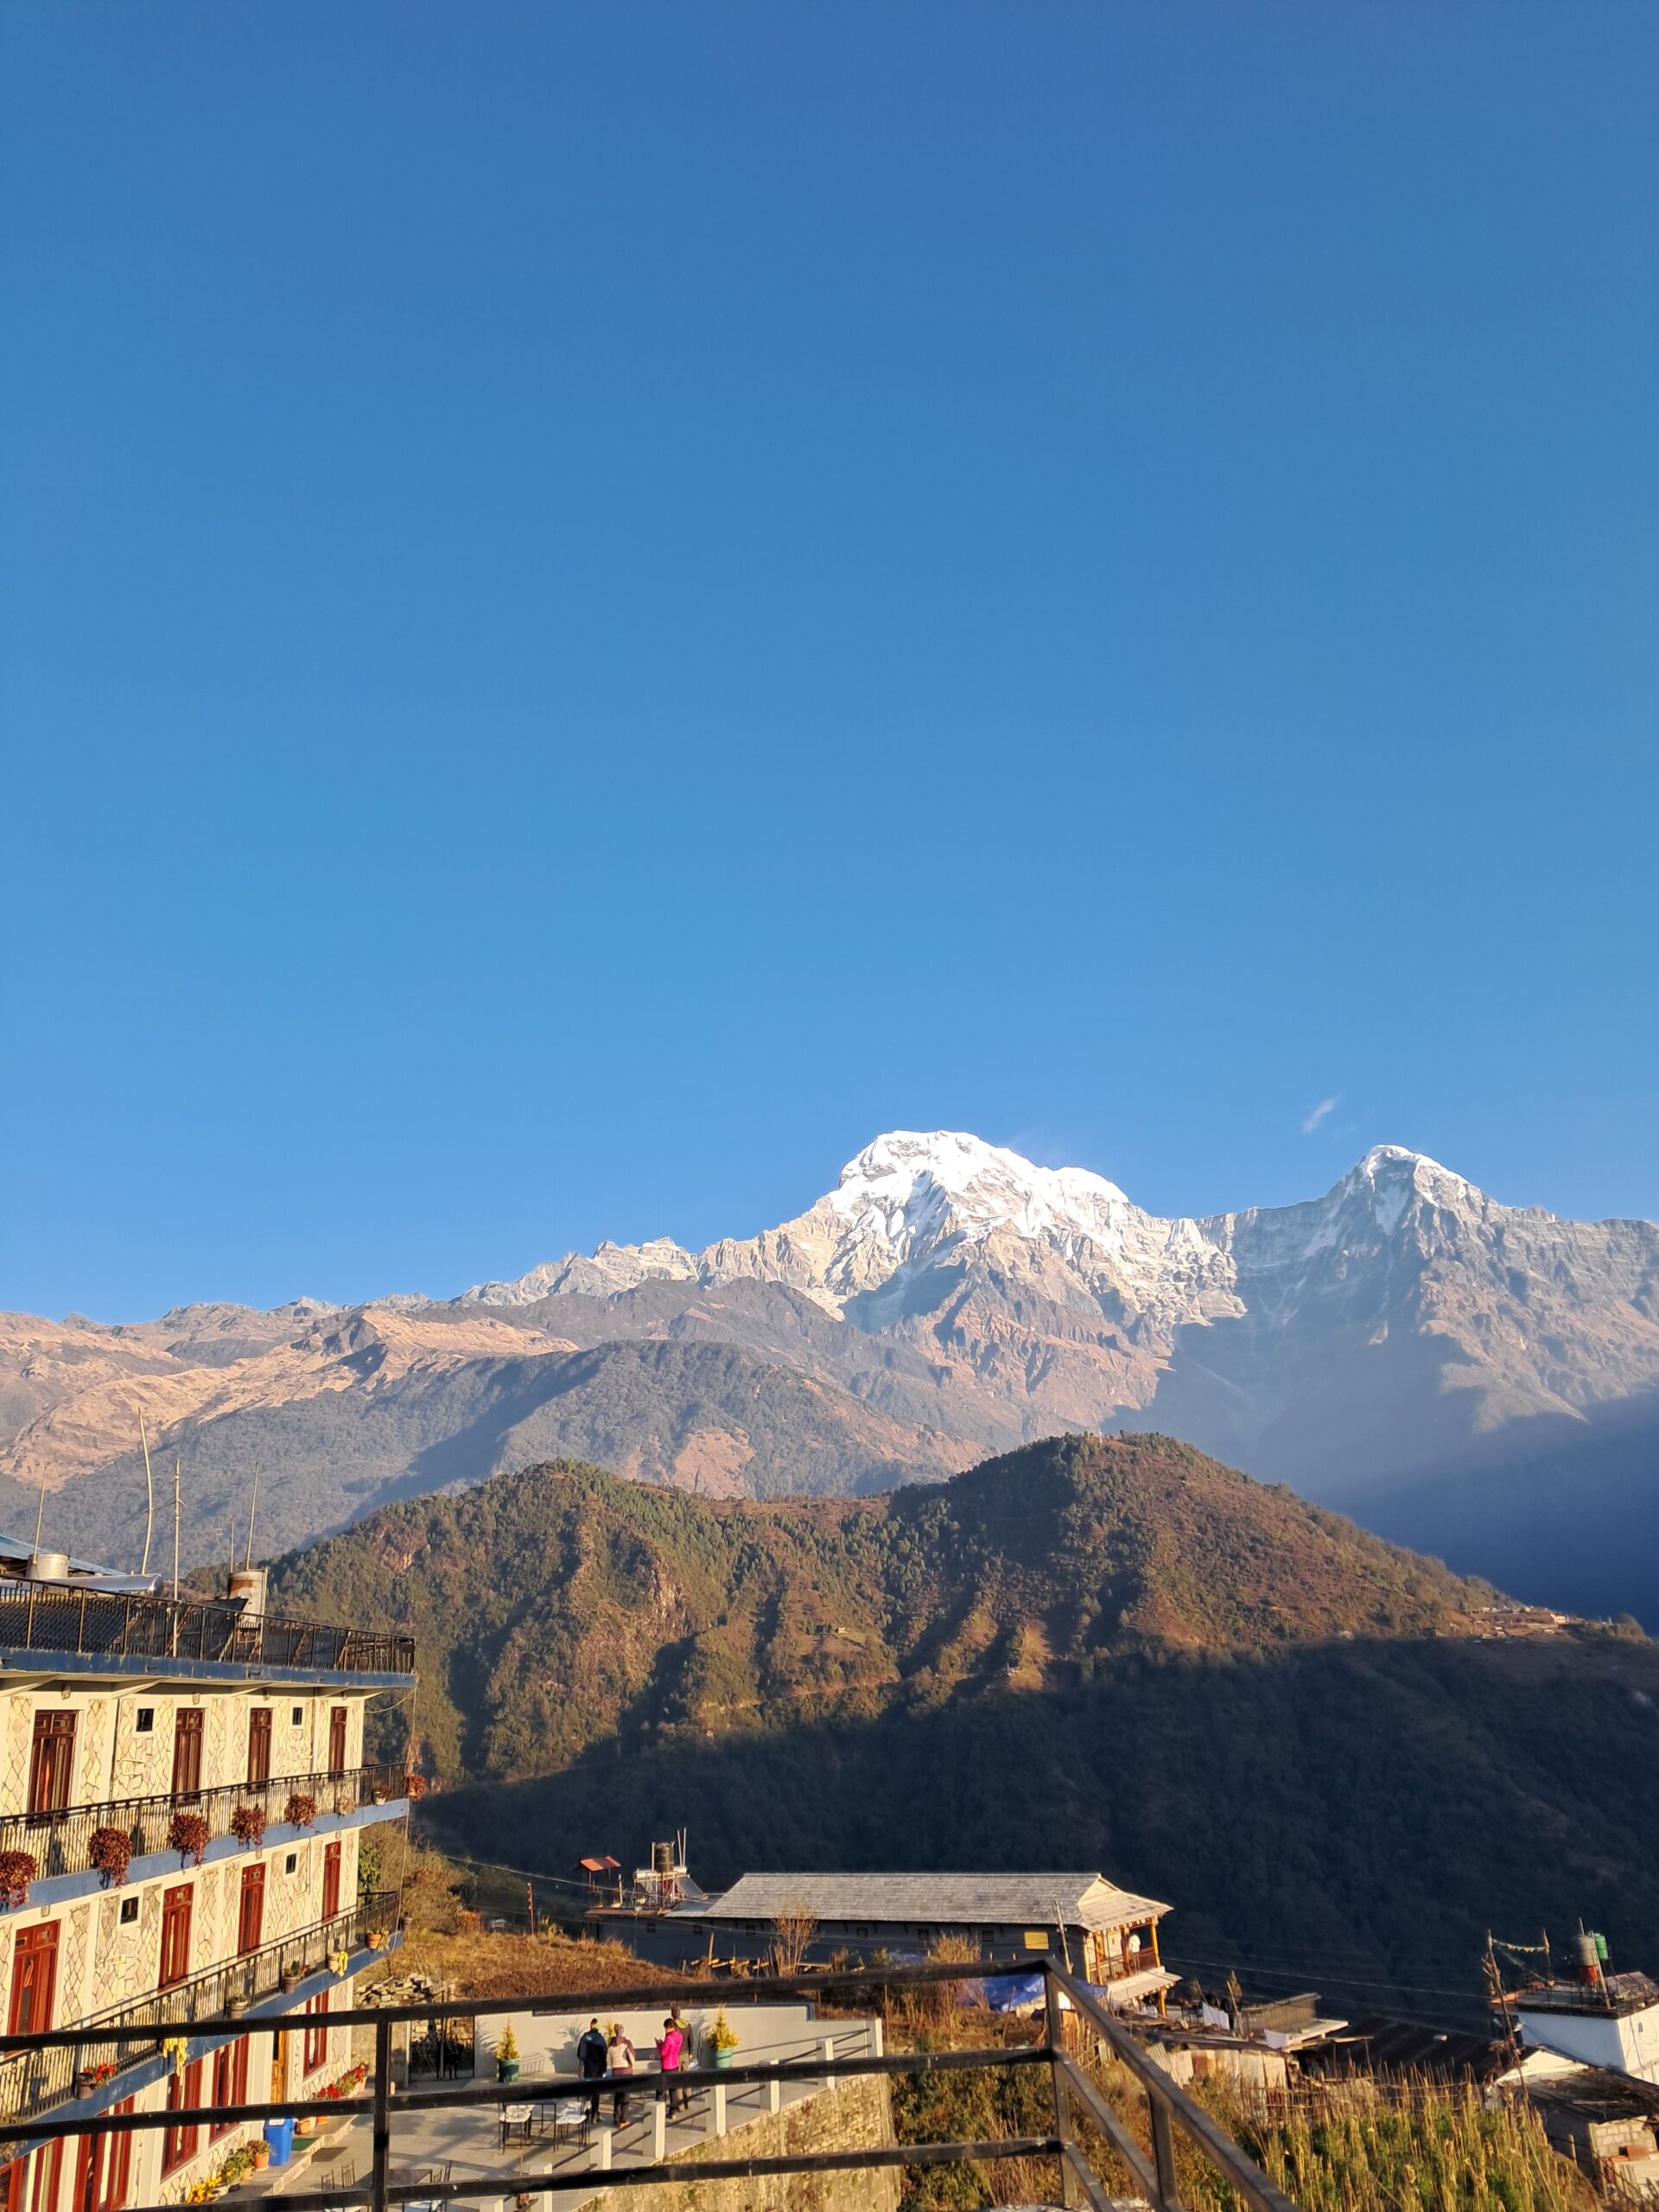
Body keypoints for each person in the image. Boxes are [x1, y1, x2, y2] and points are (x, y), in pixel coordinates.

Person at [575, 2016, 608, 2125]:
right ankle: (595, 2113)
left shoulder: (585, 2038)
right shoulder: (601, 2040)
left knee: (587, 2091)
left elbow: (581, 2055)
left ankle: (586, 2113)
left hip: (588, 2068)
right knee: (596, 2092)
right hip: (598, 2069)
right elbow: (605, 2054)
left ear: (590, 2025)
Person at [655, 2013, 686, 2118]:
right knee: (673, 2089)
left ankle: (658, 2111)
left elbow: (663, 2053)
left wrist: (659, 2044)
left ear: (668, 2027)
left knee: (660, 2089)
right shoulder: (679, 2036)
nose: (665, 2031)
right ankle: (673, 2111)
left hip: (667, 2066)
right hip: (675, 2064)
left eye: (665, 2029)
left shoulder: (668, 2038)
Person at [606, 2022, 636, 2126]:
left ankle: (616, 2118)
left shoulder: (611, 2045)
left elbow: (609, 2062)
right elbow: (632, 2059)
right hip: (626, 2072)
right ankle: (623, 2120)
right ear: (622, 2031)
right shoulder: (627, 2043)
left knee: (617, 2096)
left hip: (616, 2073)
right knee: (625, 2097)